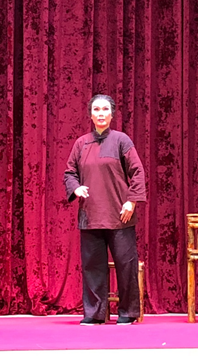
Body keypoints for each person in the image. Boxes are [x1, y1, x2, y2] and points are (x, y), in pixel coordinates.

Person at [64, 94, 146, 325]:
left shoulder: (121, 140)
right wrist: (76, 187)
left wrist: (132, 201)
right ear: (90, 115)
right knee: (93, 267)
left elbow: (138, 172)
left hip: (120, 215)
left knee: (126, 265)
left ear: (112, 114)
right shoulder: (81, 143)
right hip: (90, 215)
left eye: (105, 110)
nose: (101, 114)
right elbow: (70, 172)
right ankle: (94, 313)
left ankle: (128, 312)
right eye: (96, 110)